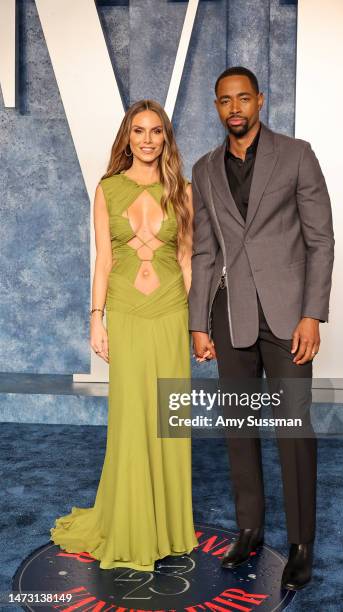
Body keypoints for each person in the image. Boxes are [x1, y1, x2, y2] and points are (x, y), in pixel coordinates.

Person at [189, 67, 334, 590]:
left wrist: (312, 314)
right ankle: (249, 529)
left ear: (260, 101)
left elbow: (321, 241)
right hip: (231, 316)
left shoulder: (297, 154)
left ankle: (300, 544)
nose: (235, 108)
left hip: (289, 315)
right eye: (225, 100)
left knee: (294, 431)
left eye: (243, 98)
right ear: (216, 106)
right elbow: (205, 250)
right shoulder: (203, 169)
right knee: (238, 428)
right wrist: (198, 322)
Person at [50, 100, 198, 571]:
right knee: (133, 418)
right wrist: (97, 318)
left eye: (156, 131)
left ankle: (171, 526)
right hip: (128, 314)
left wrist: (189, 318)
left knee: (169, 418)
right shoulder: (108, 189)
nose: (148, 139)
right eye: (139, 131)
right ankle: (132, 523)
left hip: (170, 313)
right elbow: (105, 260)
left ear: (165, 138)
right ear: (128, 137)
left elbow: (187, 259)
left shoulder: (183, 190)